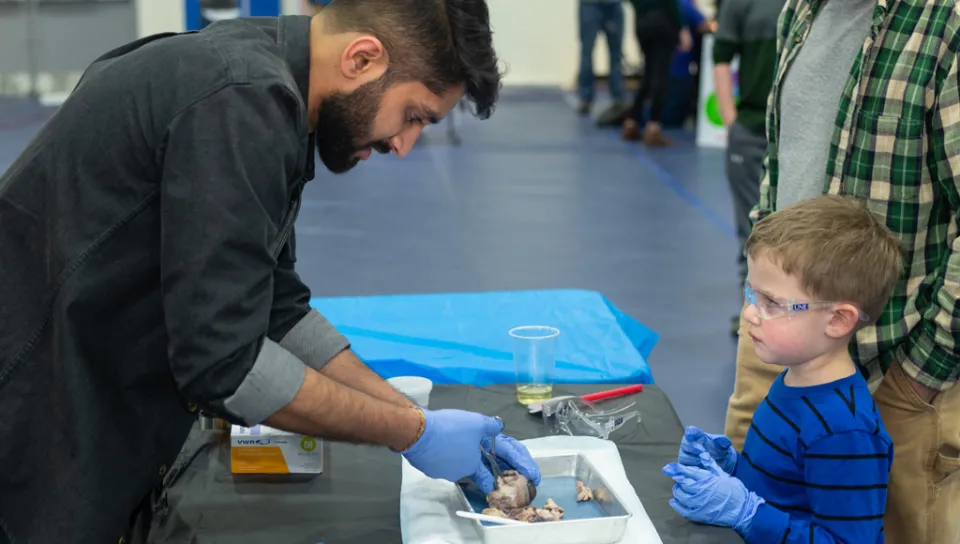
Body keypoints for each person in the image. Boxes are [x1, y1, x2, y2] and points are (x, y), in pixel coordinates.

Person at [0, 2, 541, 543]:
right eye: (415, 115)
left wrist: (404, 411)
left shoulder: (277, 87)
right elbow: (224, 363)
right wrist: (410, 432)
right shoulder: (241, 100)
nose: (404, 145)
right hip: (37, 415)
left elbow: (276, 307)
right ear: (362, 58)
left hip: (97, 396)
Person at [723, 0, 960, 541]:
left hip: (899, 358)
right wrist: (763, 300)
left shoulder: (945, 21)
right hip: (781, 337)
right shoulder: (799, 11)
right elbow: (781, 159)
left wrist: (924, 372)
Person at [664, 195, 902, 543]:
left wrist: (747, 513)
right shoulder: (795, 379)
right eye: (752, 294)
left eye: (772, 303)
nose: (749, 313)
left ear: (837, 320)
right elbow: (787, 489)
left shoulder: (844, 432)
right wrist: (734, 468)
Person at [711, 0, 783, 336]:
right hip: (751, 132)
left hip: (795, 134)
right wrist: (731, 121)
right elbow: (721, 59)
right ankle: (752, 309)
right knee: (751, 229)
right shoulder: (738, 4)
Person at [620, 0, 692, 146]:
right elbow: (673, 4)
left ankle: (632, 121)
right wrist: (682, 27)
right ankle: (654, 126)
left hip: (642, 23)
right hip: (663, 22)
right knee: (662, 74)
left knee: (648, 73)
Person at [576, 0, 627, 115]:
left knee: (616, 54)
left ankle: (618, 97)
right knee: (587, 52)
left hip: (613, 4)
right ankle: (586, 97)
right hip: (590, 4)